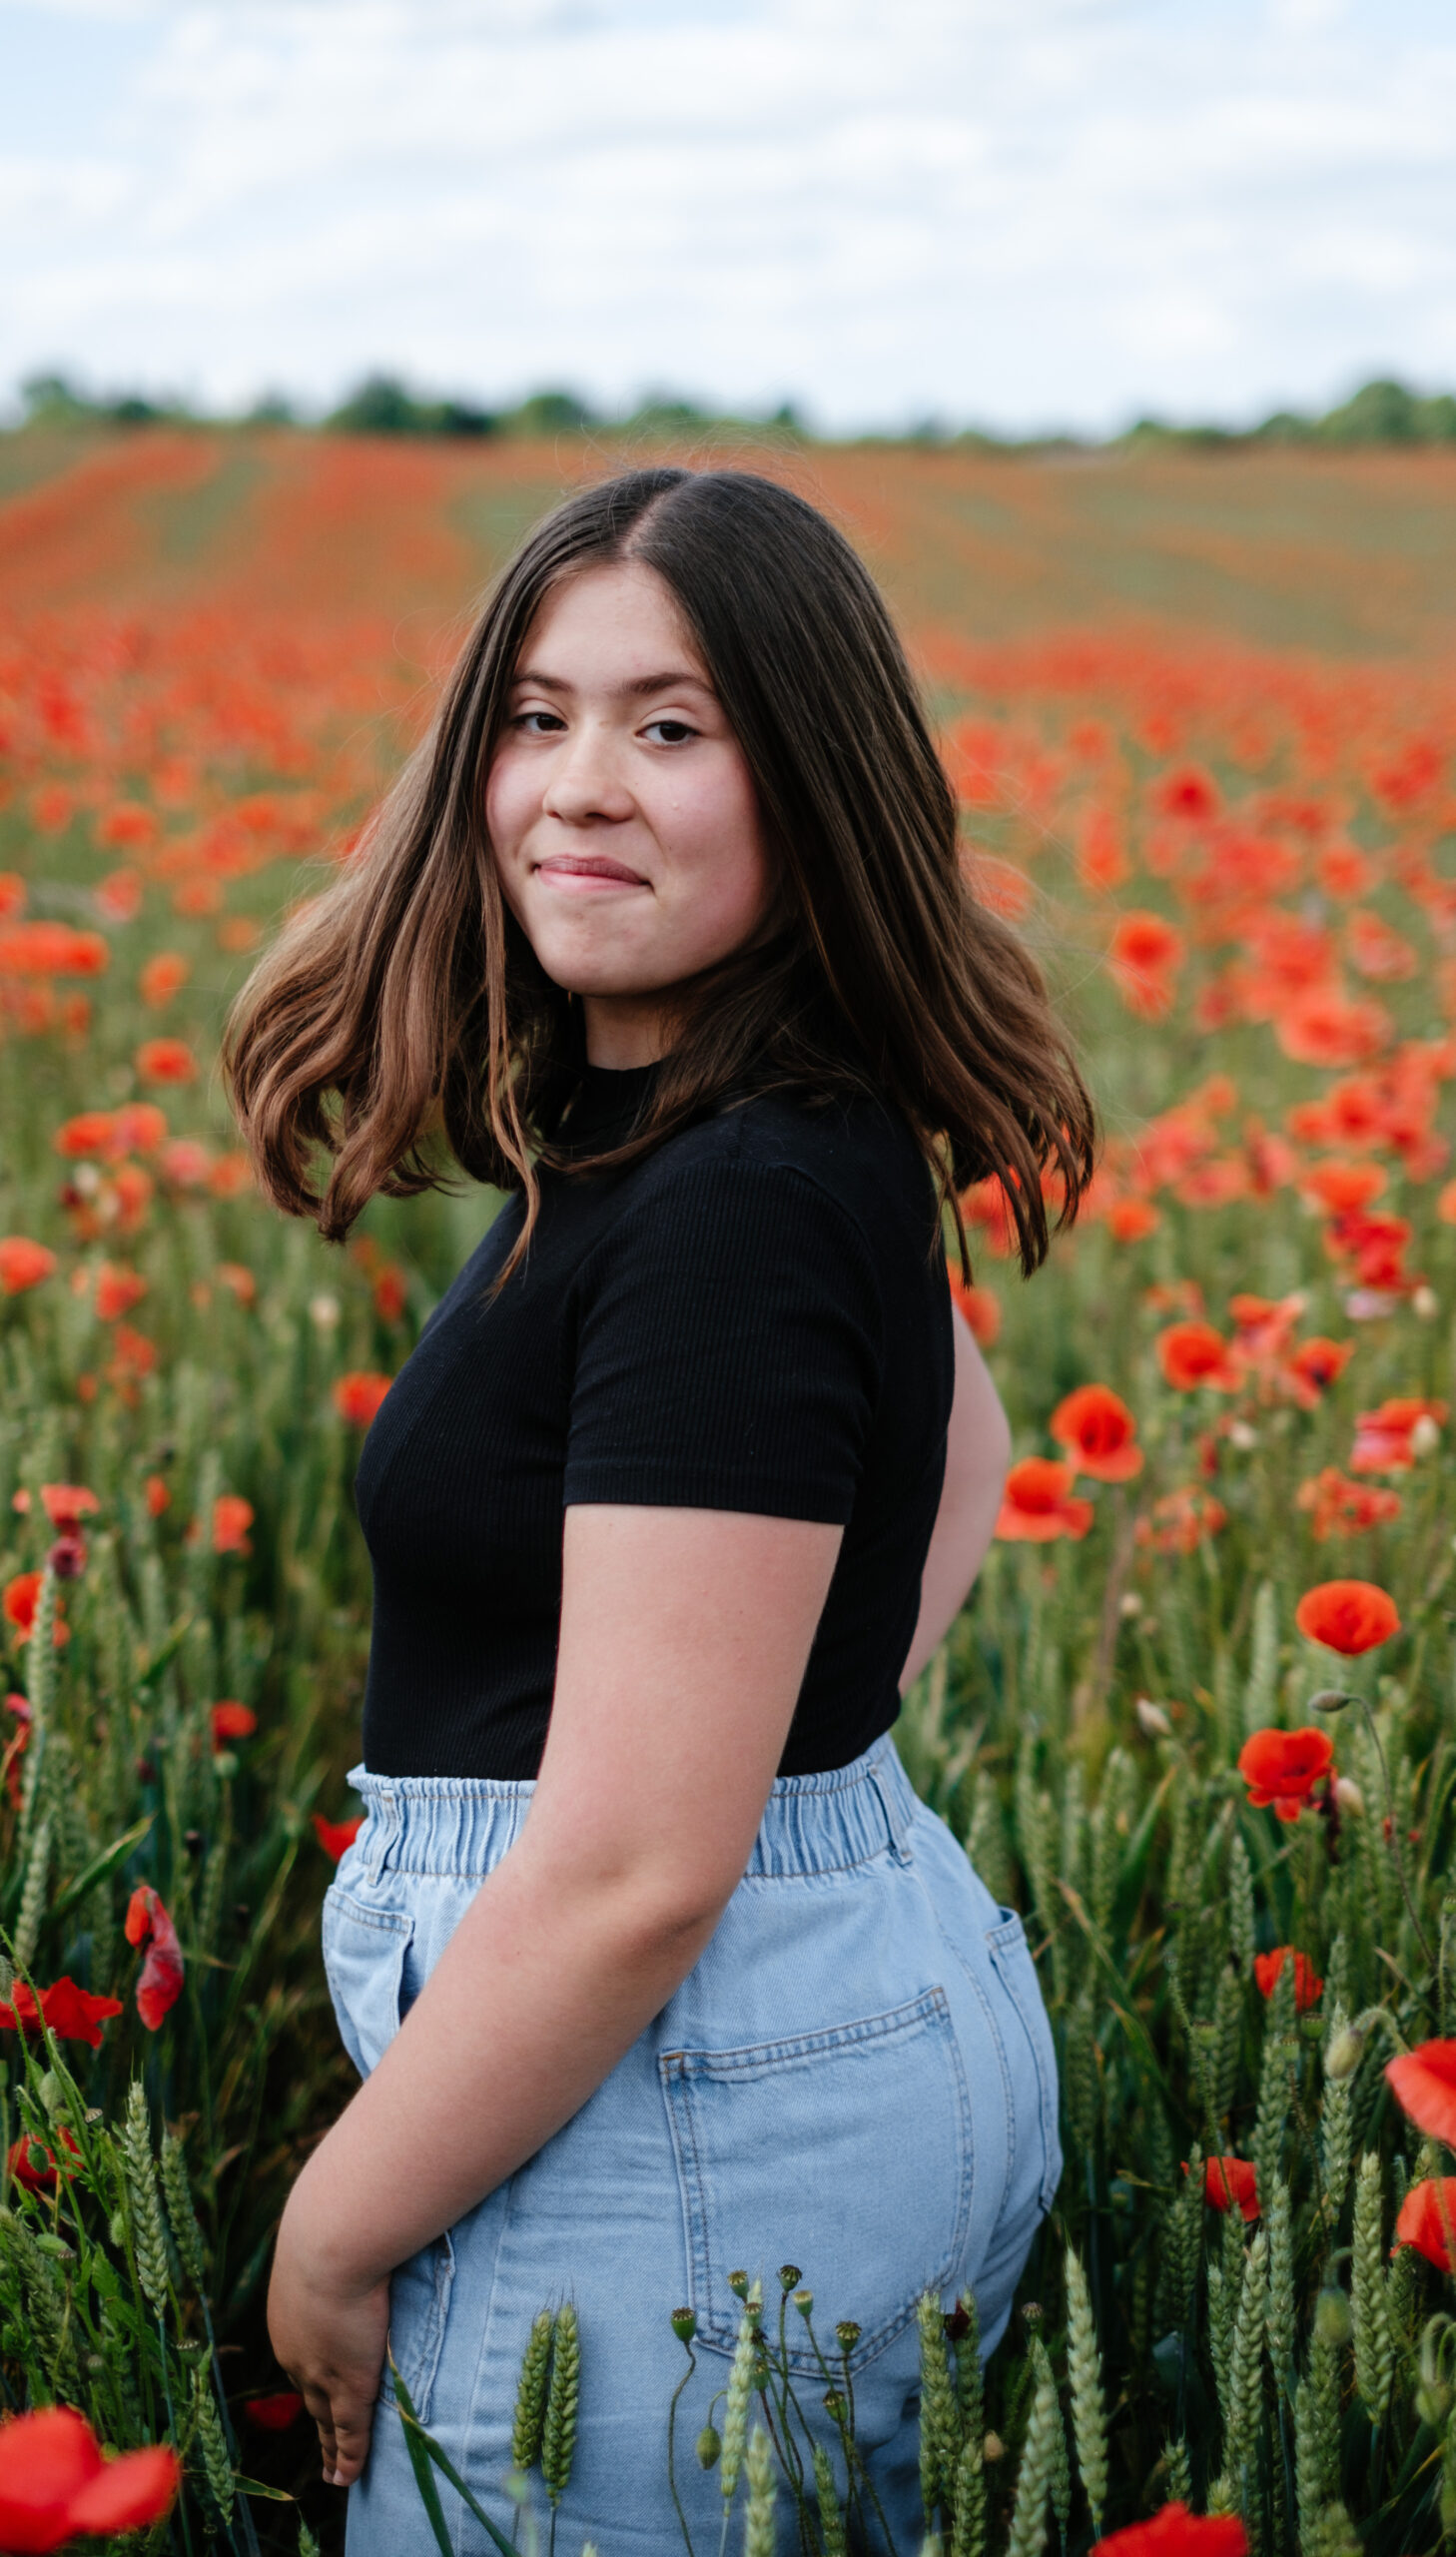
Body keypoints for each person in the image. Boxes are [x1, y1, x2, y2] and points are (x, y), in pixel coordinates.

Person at [226, 465, 1091, 2553]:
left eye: (670, 725)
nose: (577, 785)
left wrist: (331, 2237)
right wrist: (784, 1747)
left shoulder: (727, 1199)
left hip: (681, 2108)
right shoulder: (738, 1122)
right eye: (534, 715)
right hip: (764, 2044)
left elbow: (627, 1865)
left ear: (813, 780)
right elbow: (961, 1438)